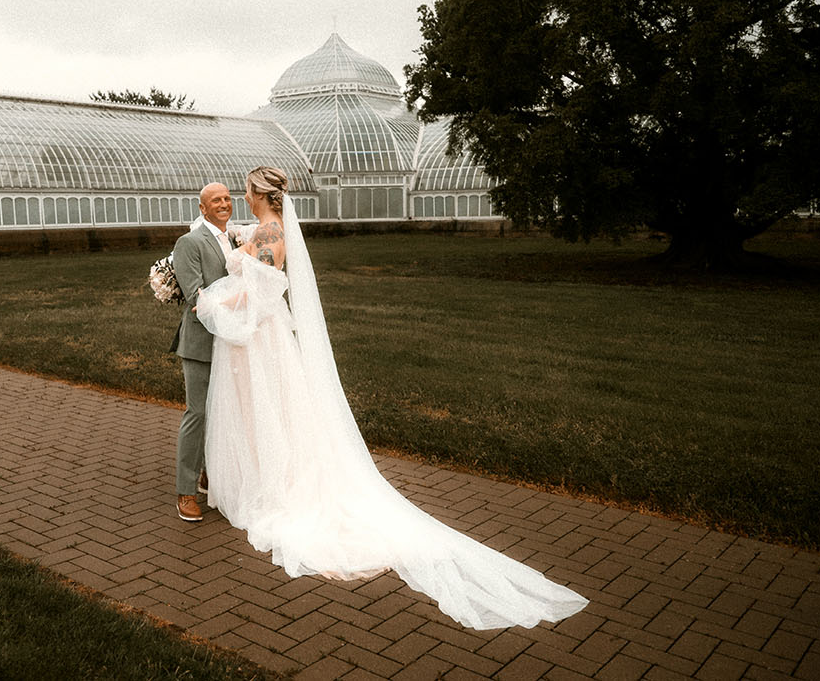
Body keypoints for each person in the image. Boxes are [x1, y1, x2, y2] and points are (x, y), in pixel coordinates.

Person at [196, 167, 589, 630]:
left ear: (259, 194)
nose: (240, 197)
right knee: (271, 411)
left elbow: (260, 296)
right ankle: (261, 470)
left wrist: (212, 303)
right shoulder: (265, 228)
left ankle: (272, 482)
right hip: (264, 337)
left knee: (271, 408)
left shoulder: (269, 233)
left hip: (263, 337)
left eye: (244, 191)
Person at [168, 181, 234, 522]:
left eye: (227, 198)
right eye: (215, 200)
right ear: (202, 208)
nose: (223, 204)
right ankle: (185, 490)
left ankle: (212, 475)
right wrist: (240, 303)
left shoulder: (236, 237)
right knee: (198, 414)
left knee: (227, 412)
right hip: (201, 343)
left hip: (234, 341)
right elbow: (196, 295)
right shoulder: (190, 242)